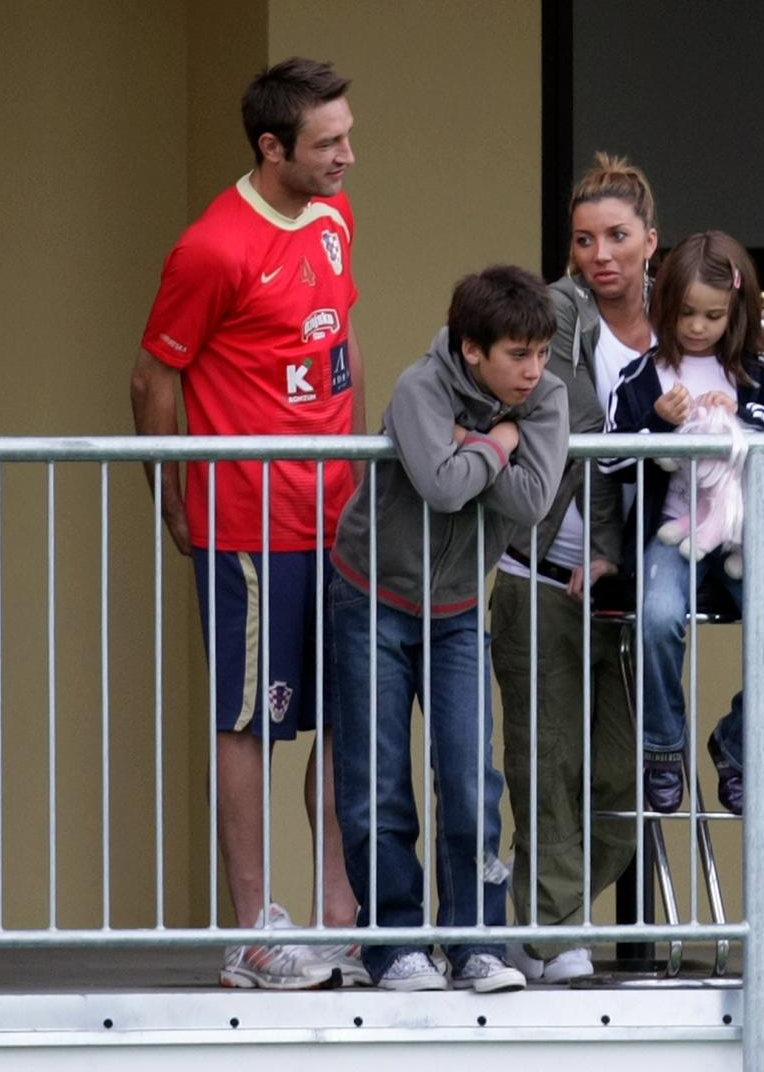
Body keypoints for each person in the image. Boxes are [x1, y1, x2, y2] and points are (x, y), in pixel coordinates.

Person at [131, 57, 366, 989]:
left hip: (342, 517)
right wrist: (173, 498)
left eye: (348, 134)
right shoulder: (213, 247)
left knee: (353, 717)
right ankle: (253, 931)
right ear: (273, 149)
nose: (348, 154)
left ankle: (343, 917)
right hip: (249, 520)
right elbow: (153, 377)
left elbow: (338, 346)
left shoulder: (336, 214)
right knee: (250, 722)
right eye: (328, 143)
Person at [329, 264, 568, 992]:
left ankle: (477, 944)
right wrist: (498, 442)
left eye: (541, 353)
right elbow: (441, 483)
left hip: (459, 610)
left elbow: (531, 503)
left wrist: (479, 447)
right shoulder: (419, 387)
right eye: (516, 355)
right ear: (471, 349)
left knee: (471, 780)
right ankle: (394, 945)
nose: (534, 372)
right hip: (372, 598)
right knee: (378, 784)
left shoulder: (548, 397)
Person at [488, 153, 653, 984]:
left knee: (625, 782)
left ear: (651, 240)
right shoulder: (553, 312)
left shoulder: (683, 324)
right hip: (535, 572)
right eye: (585, 238)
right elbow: (547, 411)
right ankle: (556, 936)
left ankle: (520, 911)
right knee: (544, 766)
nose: (601, 254)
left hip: (626, 592)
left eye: (618, 236)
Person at [603, 230, 764, 818]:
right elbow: (613, 458)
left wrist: (743, 412)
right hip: (676, 532)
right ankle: (663, 745)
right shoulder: (644, 374)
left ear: (736, 311)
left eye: (712, 316)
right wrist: (658, 422)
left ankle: (737, 746)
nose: (697, 327)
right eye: (686, 313)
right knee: (660, 615)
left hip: (748, 534)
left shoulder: (759, 372)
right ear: (665, 308)